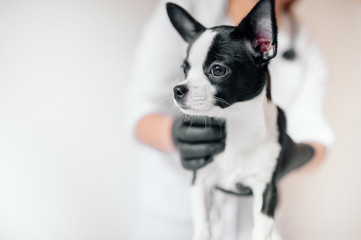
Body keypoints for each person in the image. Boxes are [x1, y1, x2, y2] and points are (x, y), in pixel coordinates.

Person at [124, 0, 334, 239]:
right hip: (177, 214)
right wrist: (172, 134)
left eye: (216, 70)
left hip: (255, 217)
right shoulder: (193, 5)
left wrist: (295, 155)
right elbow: (141, 109)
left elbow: (316, 135)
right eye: (187, 70)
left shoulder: (304, 42)